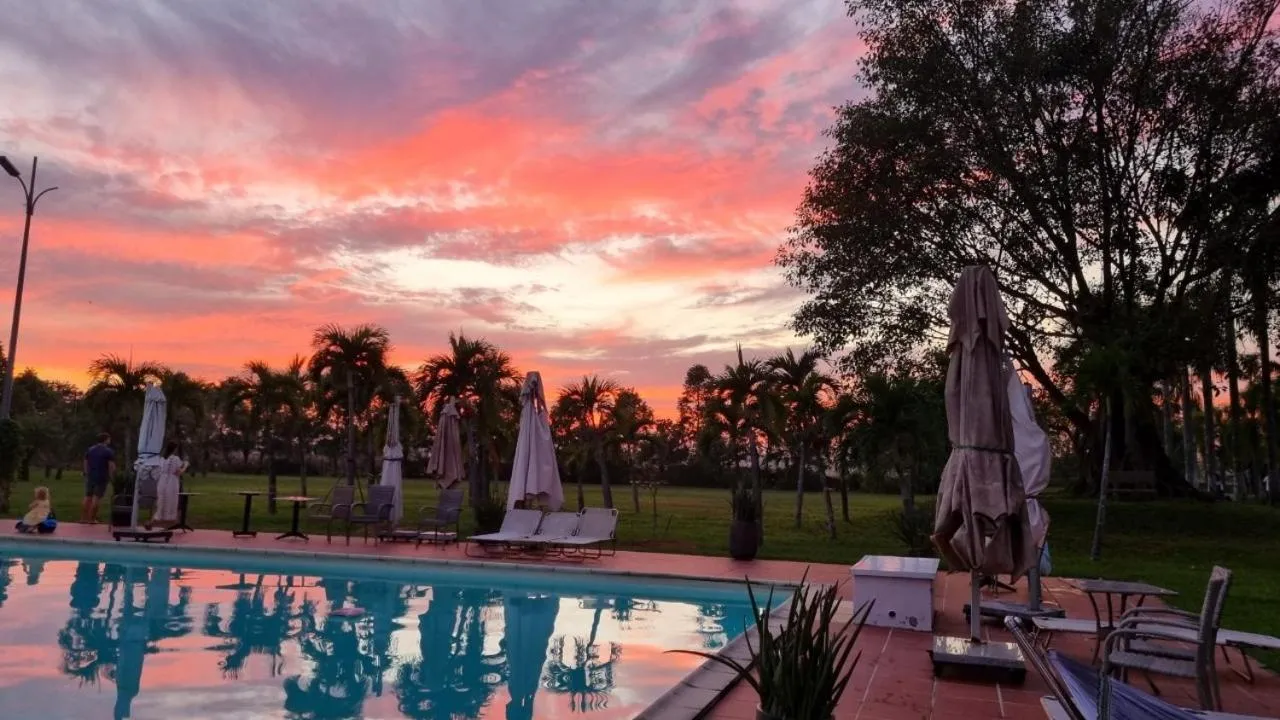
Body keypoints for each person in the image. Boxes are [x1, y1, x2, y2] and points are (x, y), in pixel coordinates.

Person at [81, 433, 116, 524]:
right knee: (97, 497)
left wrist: (86, 473)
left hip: (91, 476)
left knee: (88, 496)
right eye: (109, 439)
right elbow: (111, 466)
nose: (110, 440)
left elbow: (85, 461)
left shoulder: (90, 449)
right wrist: (112, 477)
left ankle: (84, 518)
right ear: (106, 440)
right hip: (102, 477)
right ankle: (92, 519)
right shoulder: (108, 451)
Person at [150, 441, 184, 529]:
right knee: (170, 502)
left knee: (161, 501)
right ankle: (166, 524)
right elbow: (178, 472)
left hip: (162, 481)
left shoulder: (162, 459)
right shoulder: (175, 459)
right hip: (171, 482)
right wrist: (186, 465)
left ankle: (156, 519)